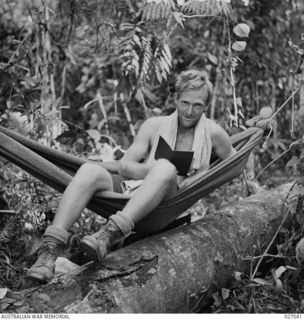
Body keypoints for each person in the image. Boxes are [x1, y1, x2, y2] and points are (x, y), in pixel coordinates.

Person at [26, 69, 236, 282]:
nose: (190, 111)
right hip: (132, 190)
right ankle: (49, 252)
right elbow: (126, 165)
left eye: (197, 105)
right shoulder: (154, 125)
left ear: (206, 106)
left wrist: (185, 173)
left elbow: (235, 164)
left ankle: (111, 233)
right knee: (89, 170)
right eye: (185, 103)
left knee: (165, 168)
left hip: (168, 200)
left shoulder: (213, 133)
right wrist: (152, 169)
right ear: (175, 98)